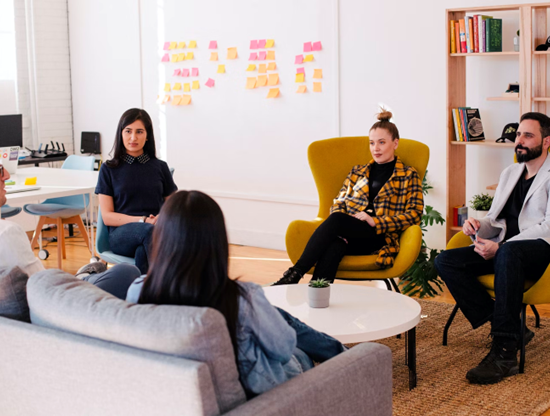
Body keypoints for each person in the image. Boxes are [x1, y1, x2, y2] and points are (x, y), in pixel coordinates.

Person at [91, 190, 346, 397]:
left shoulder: (139, 290)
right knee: (297, 349)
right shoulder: (241, 297)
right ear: (217, 241)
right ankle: (345, 357)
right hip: (261, 393)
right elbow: (283, 347)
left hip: (179, 391)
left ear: (162, 239)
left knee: (275, 316)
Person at [435, 111, 550, 385]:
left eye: (528, 135)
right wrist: (477, 226)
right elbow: (496, 219)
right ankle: (512, 327)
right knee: (446, 261)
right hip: (507, 252)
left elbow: (548, 226)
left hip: (540, 251)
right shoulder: (510, 172)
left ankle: (505, 353)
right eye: (519, 134)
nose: (519, 140)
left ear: (546, 142)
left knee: (508, 253)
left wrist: (501, 248)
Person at [273, 110, 424, 285]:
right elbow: (339, 202)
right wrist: (348, 222)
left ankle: (294, 273)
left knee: (337, 220)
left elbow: (415, 214)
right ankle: (317, 296)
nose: (376, 148)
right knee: (335, 245)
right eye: (372, 143)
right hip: (351, 232)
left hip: (379, 236)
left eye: (382, 142)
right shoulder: (357, 172)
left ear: (395, 143)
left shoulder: (408, 175)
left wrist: (375, 221)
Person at [0, 163, 140, 299]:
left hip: (46, 296)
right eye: (0, 169)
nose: (6, 175)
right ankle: (81, 279)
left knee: (108, 271)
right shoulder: (7, 232)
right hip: (58, 301)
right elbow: (41, 284)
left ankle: (81, 277)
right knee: (126, 271)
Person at [96, 108, 177, 274]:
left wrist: (162, 217)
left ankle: (143, 295)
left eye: (139, 132)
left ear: (147, 136)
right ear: (121, 134)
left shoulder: (160, 167)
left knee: (143, 252)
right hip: (121, 235)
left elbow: (175, 206)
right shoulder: (108, 169)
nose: (133, 137)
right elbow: (107, 217)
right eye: (128, 131)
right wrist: (144, 220)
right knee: (150, 232)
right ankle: (172, 286)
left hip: (153, 232)